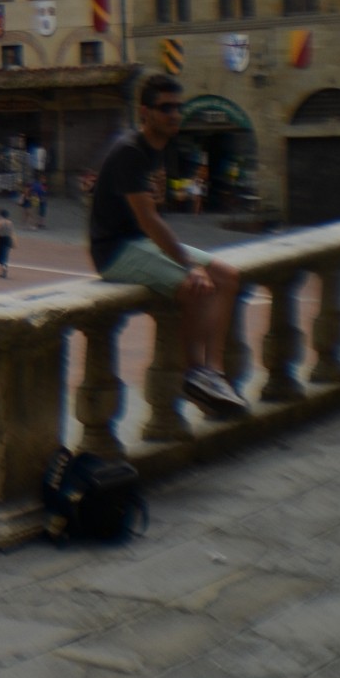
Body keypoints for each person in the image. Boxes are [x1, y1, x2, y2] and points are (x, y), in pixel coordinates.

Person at [92, 74, 248, 419]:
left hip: (140, 242)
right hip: (114, 251)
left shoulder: (156, 149)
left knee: (227, 275)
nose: (175, 114)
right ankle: (195, 376)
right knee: (193, 284)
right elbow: (149, 220)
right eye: (166, 108)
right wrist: (189, 266)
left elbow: (149, 216)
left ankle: (215, 373)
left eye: (178, 107)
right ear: (145, 112)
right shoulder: (131, 152)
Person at [0, 207, 15, 279]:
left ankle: (3, 266)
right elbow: (12, 233)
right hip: (8, 239)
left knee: (0, 256)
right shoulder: (10, 223)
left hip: (1, 239)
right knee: (5, 254)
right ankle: (4, 267)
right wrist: (13, 242)